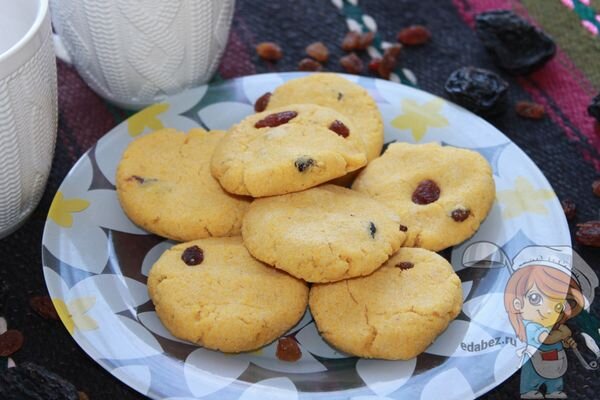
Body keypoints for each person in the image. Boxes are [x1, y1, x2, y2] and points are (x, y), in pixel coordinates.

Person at [504, 264, 585, 399]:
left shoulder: (554, 326)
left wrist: (567, 343)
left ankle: (554, 389)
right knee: (532, 374)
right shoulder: (530, 326)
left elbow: (557, 340)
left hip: (555, 359)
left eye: (558, 305)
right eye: (535, 299)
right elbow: (546, 339)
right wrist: (562, 334)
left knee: (556, 374)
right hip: (535, 358)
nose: (548, 309)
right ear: (517, 303)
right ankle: (528, 390)